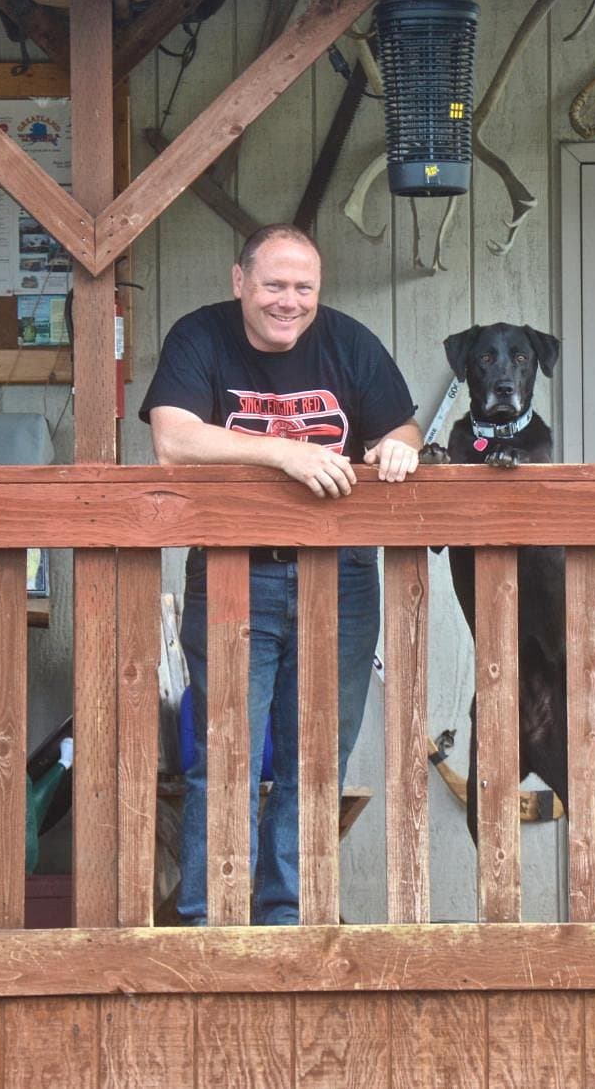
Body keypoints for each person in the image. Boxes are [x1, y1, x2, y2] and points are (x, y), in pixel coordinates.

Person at [141, 223, 421, 924]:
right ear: (240, 282)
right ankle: (212, 916)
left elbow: (402, 426)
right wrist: (284, 453)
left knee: (318, 754)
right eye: (274, 285)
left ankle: (289, 914)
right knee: (226, 752)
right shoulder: (199, 337)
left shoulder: (349, 340)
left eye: (303, 288)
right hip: (237, 573)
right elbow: (173, 441)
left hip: (342, 579)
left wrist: (397, 448)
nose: (289, 301)